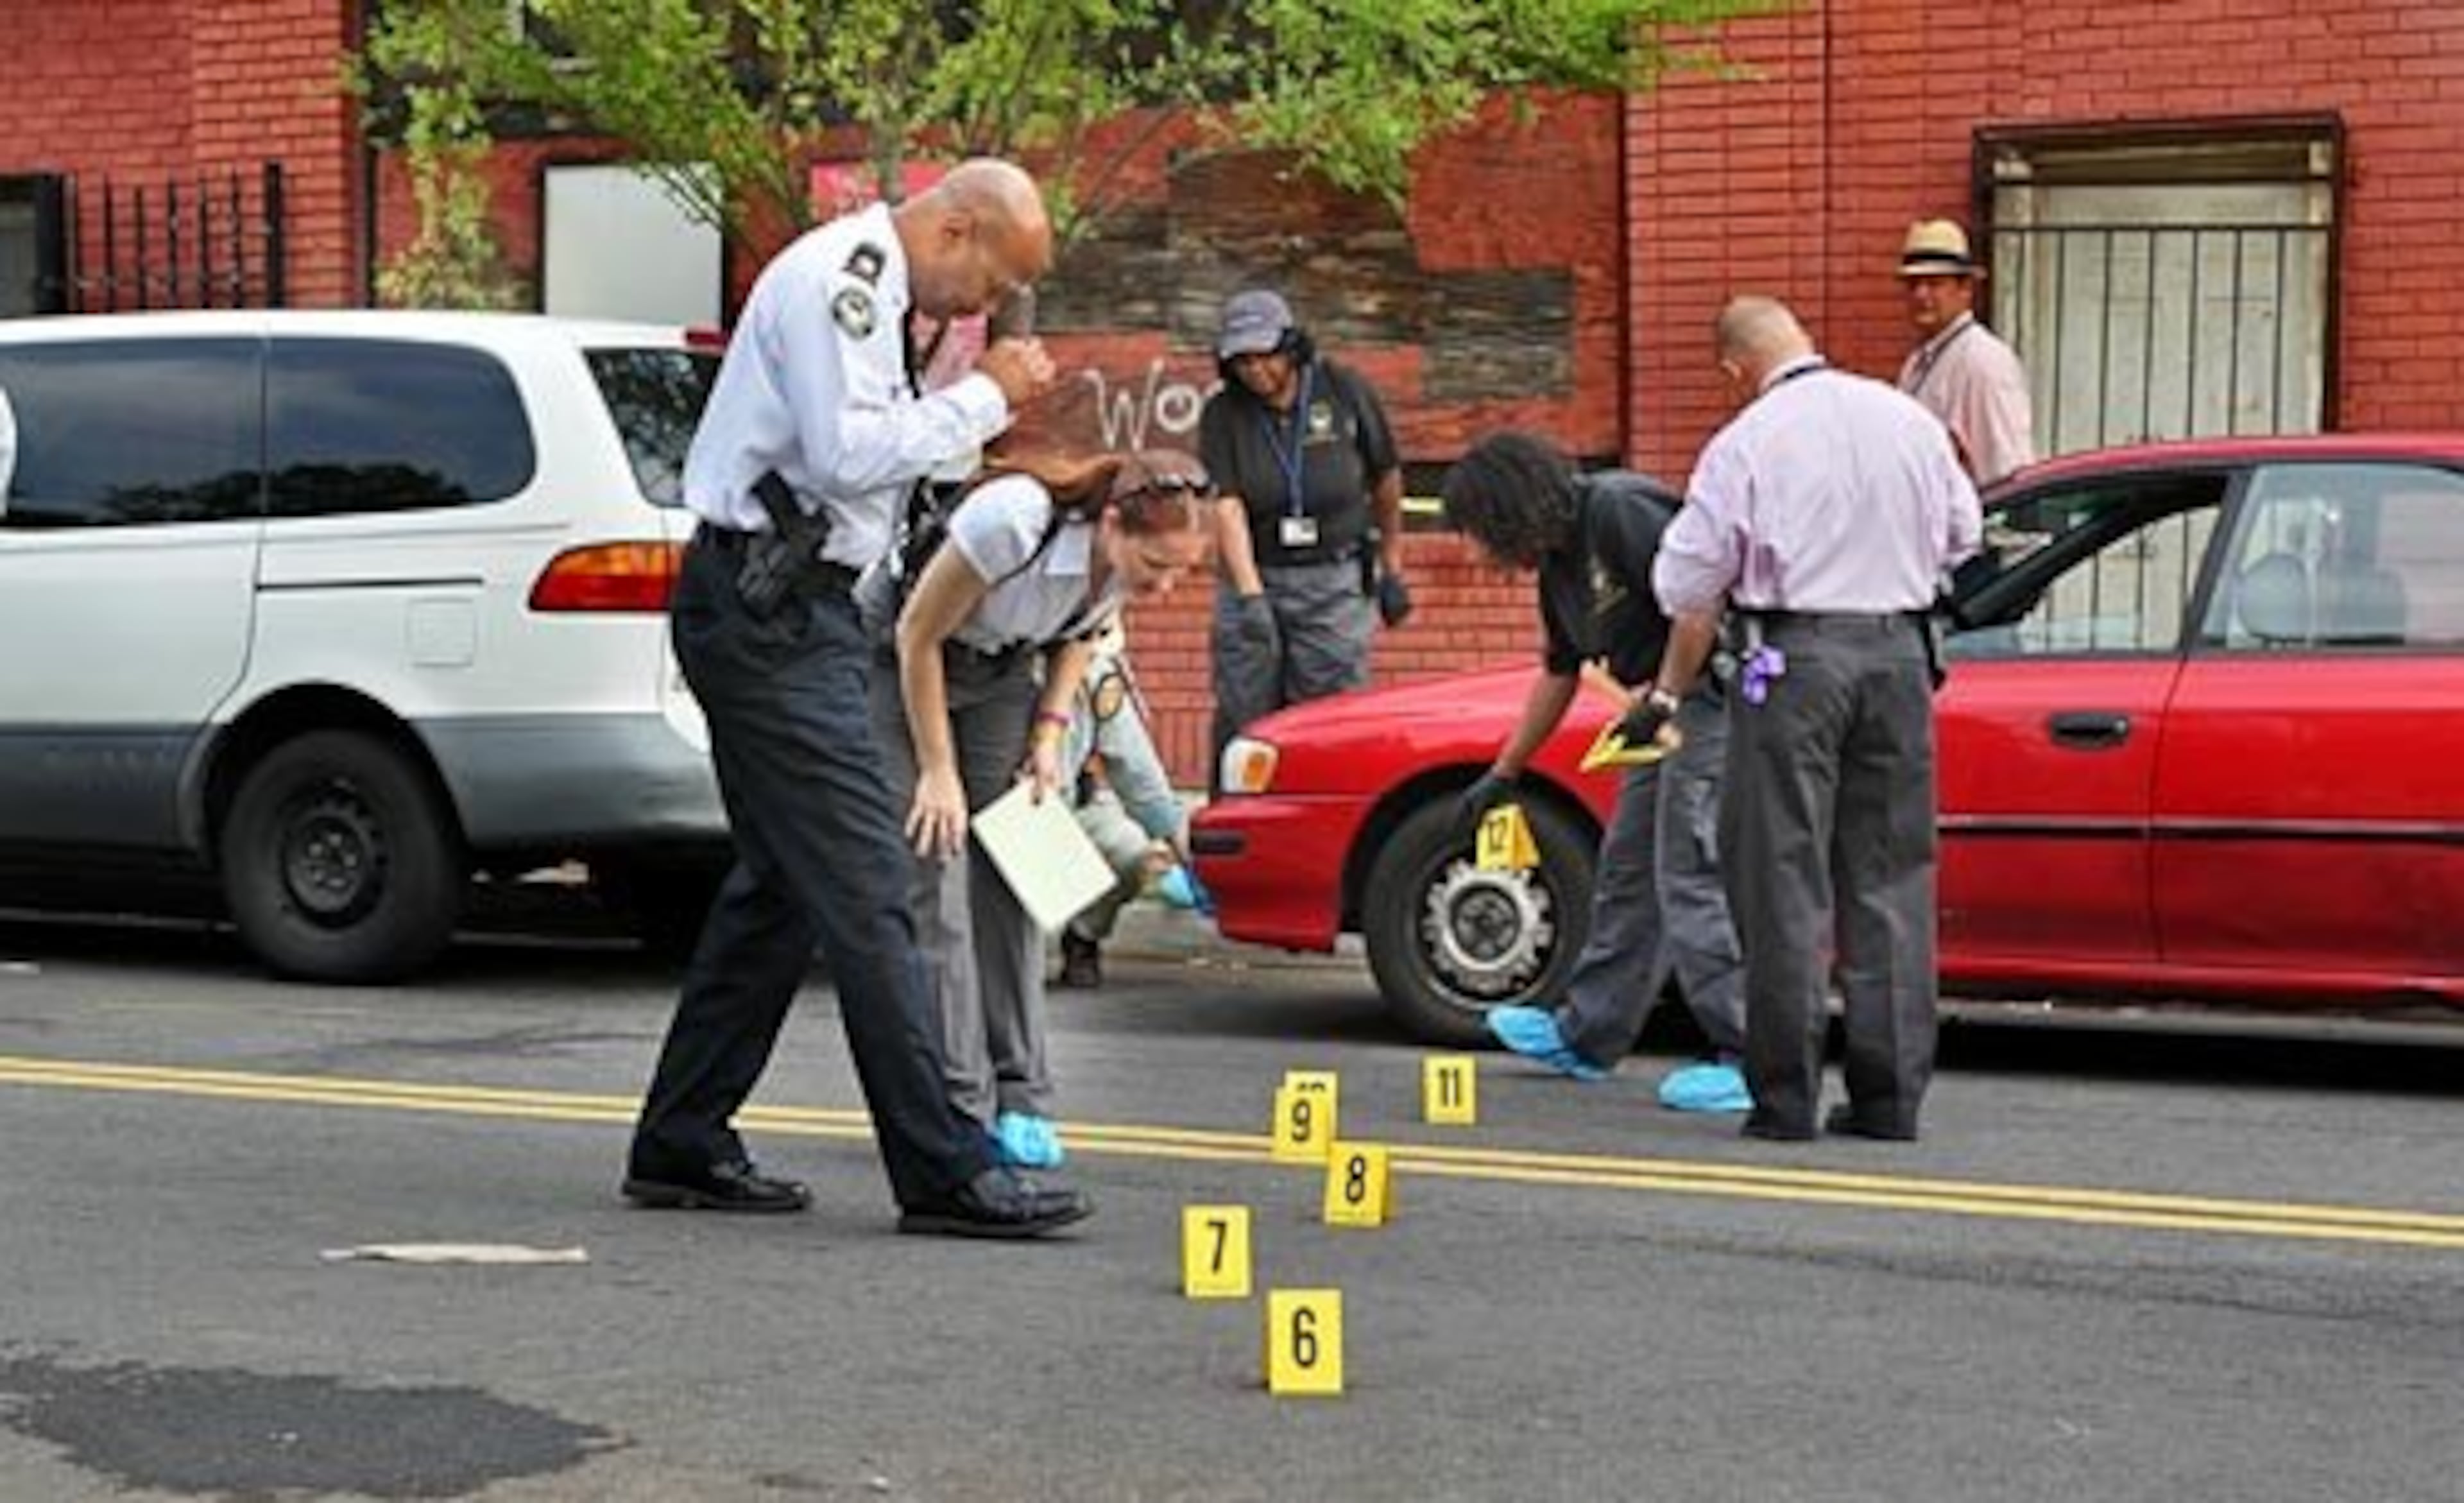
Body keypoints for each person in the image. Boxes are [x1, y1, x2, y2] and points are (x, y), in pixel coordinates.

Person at [622, 158, 1095, 1239]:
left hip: (793, 608)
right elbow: (844, 459)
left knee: (782, 888)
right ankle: (945, 1169)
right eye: (991, 284)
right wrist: (987, 398)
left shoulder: (877, 296)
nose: (986, 311)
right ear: (960, 228)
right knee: (876, 883)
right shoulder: (847, 278)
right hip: (771, 612)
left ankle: (681, 1139)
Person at [1650, 296, 1981, 1142]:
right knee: (1892, 880)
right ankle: (1889, 1098)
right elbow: (1963, 533)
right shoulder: (1906, 418)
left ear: (1737, 369)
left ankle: (1787, 1098)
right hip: (1901, 655)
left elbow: (1687, 579)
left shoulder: (1748, 441)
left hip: (1794, 658)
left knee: (1782, 880)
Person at [866, 447, 1213, 1171]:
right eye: (1157, 567)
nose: (1167, 585)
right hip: (901, 665)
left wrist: (1051, 733)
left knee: (1020, 868)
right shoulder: (1014, 521)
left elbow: (1082, 634)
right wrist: (937, 769)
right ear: (1113, 525)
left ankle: (1022, 1093)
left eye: (1181, 570)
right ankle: (956, 1105)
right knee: (938, 869)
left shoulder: (1119, 569)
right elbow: (916, 636)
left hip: (999, 673)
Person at [1439, 432, 1753, 1115]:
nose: (1476, 552)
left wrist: (1666, 693)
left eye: (1475, 532)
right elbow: (1562, 669)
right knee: (1628, 867)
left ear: (1506, 509)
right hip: (1656, 709)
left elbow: (1700, 602)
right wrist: (1505, 771)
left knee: (1689, 869)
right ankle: (1588, 1035)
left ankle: (1752, 1051)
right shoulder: (1559, 563)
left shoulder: (1615, 510)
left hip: (1709, 701)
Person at [1199, 288, 1412, 762]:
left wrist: (1392, 564)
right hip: (1256, 574)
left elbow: (1386, 476)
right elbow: (1227, 505)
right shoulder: (1222, 413)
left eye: (1266, 357)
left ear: (1292, 347)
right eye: (1243, 361)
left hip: (1333, 579)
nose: (1256, 371)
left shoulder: (1344, 389)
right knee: (1245, 712)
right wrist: (1251, 597)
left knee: (1327, 716)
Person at [1053, 619, 1195, 992]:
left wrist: (1189, 858)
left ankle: (1084, 936)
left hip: (1074, 805)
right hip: (1004, 813)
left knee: (1129, 849)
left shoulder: (1101, 676)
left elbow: (1137, 770)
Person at [1895, 218, 2036, 487]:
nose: (1921, 295)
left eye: (1934, 283)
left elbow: (2007, 469)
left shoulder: (1983, 362)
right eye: (1913, 284)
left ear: (1965, 289)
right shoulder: (1918, 362)